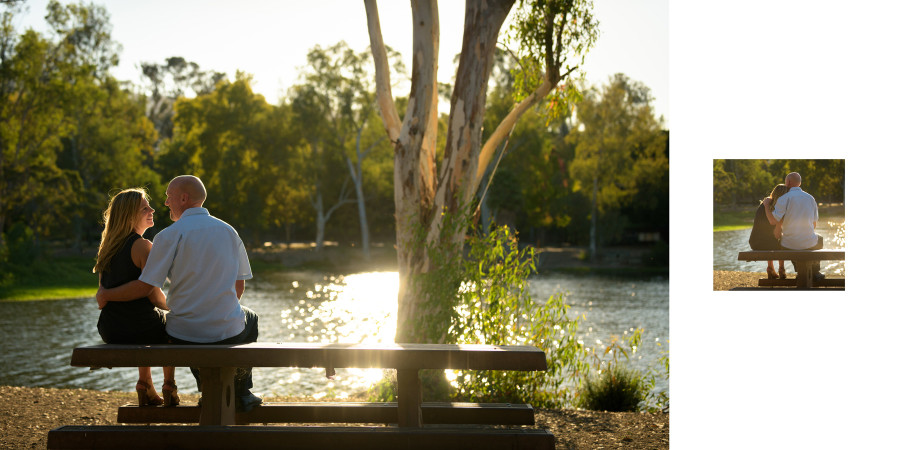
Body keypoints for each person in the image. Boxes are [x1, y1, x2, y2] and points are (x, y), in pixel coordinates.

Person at [96, 175, 262, 412]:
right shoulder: (229, 231)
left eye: (168, 197)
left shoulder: (167, 236)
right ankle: (242, 391)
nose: (164, 203)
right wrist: (219, 310)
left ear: (183, 198)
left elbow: (147, 285)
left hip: (182, 333)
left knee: (189, 326)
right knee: (250, 318)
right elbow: (239, 286)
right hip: (226, 330)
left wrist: (105, 294)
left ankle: (207, 390)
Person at [93, 188, 179, 407]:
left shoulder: (107, 248)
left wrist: (106, 296)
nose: (152, 210)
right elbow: (153, 294)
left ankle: (145, 383)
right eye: (144, 208)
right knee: (172, 326)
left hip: (110, 328)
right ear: (130, 215)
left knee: (147, 322)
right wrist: (174, 310)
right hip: (139, 326)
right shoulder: (143, 246)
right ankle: (169, 385)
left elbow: (103, 293)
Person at [764, 172, 824, 280]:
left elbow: (773, 220)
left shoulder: (784, 198)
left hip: (789, 244)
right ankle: (816, 271)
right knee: (819, 239)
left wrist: (766, 205)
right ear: (799, 183)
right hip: (809, 243)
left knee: (789, 241)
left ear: (788, 182)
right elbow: (814, 225)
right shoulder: (811, 198)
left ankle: (800, 271)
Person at [749, 184, 789, 279]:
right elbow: (777, 235)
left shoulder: (764, 205)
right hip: (766, 244)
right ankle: (781, 269)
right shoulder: (777, 208)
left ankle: (770, 268)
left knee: (770, 238)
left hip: (754, 242)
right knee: (782, 240)